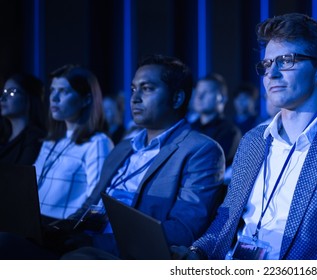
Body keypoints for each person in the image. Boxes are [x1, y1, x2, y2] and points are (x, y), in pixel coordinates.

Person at [173, 13, 317, 260]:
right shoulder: (253, 140)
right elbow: (226, 220)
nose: (272, 74)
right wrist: (197, 253)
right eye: (267, 65)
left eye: (287, 61)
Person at [64, 54, 226, 258]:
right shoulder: (123, 148)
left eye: (147, 88)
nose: (135, 98)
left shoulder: (200, 150)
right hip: (87, 241)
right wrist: (62, 229)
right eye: (133, 89)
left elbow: (182, 230)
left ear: (176, 98)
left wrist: (96, 242)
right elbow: (91, 205)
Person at [35, 64, 113, 223]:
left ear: (86, 99)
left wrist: (67, 230)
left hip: (59, 232)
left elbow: (97, 203)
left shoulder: (97, 143)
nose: (54, 98)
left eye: (63, 91)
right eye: (52, 90)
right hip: (34, 223)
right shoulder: (52, 140)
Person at [191, 72, 242, 168]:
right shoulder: (188, 128)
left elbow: (213, 164)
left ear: (222, 98)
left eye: (206, 92)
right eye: (197, 92)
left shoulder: (230, 132)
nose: (199, 96)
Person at [0, 73, 47, 165]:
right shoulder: (3, 137)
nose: (2, 98)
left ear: (28, 97)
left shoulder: (35, 139)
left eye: (12, 92)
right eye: (4, 92)